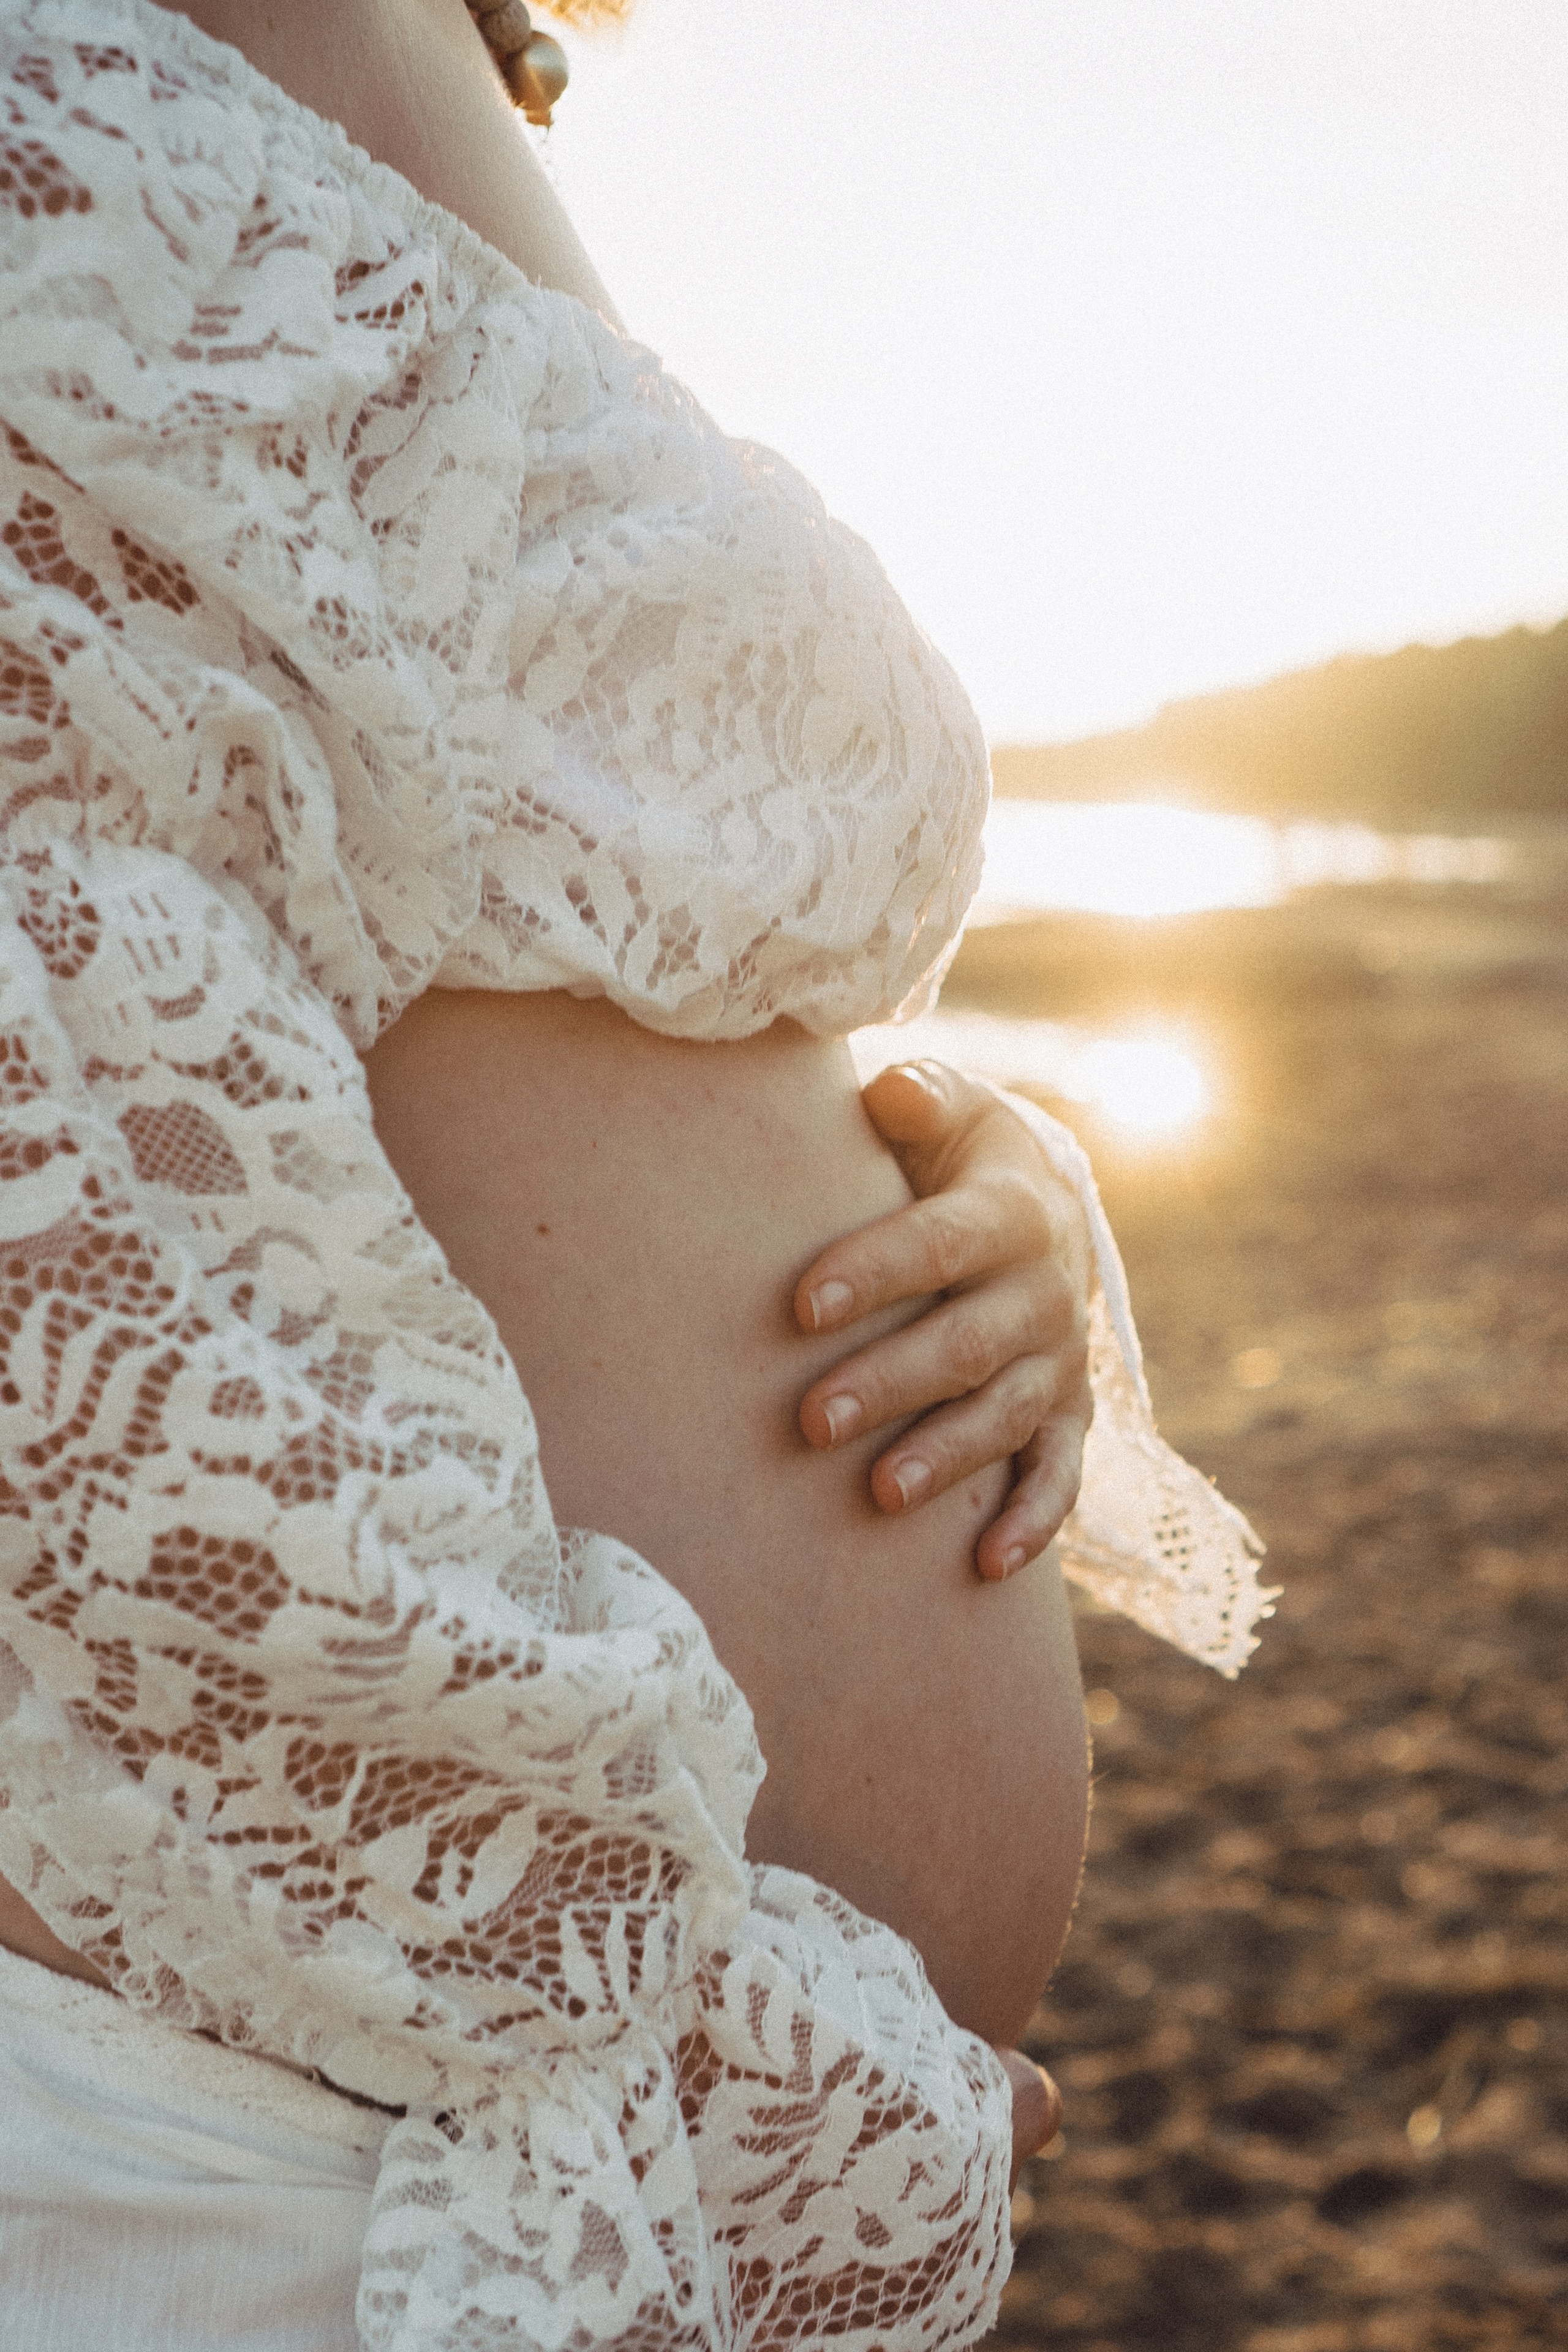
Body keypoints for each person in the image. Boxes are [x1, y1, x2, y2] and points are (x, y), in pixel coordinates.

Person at [0, 2, 1270, 2344]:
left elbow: (499, 924)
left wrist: (962, 1188)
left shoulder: (456, 44)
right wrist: (749, 2076)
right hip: (276, 2165)